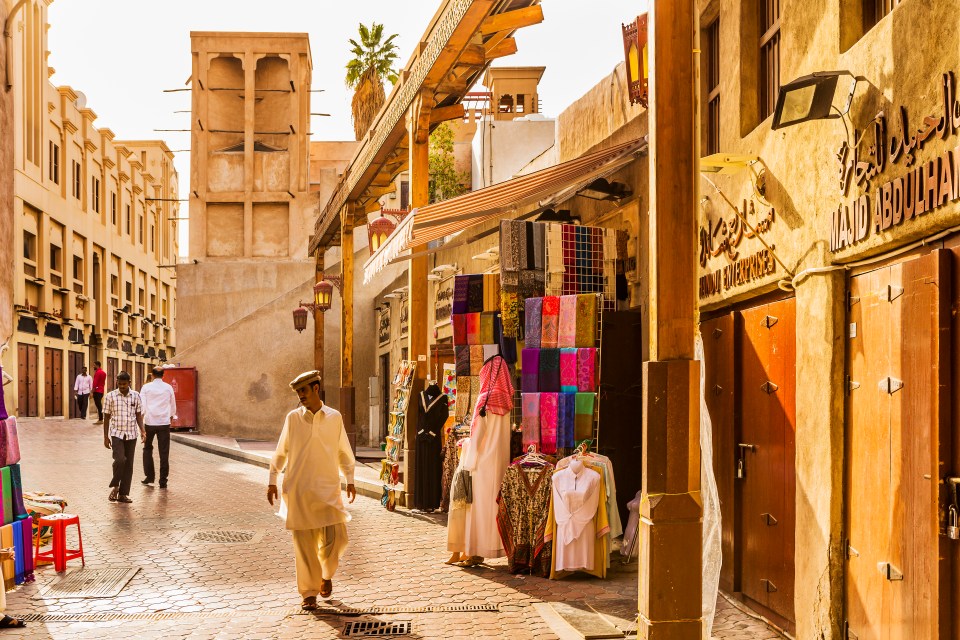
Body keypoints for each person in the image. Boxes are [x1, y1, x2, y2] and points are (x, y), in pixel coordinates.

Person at [267, 370, 356, 610]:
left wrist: (350, 478)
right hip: (298, 490)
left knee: (337, 538)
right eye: (298, 393)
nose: (301, 396)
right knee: (304, 546)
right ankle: (309, 593)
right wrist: (272, 479)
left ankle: (325, 575)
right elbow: (281, 450)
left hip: (328, 489)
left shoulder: (334, 417)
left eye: (304, 391)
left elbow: (342, 450)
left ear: (316, 389)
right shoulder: (293, 418)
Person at [102, 371, 145, 504]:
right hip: (116, 434)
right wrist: (105, 436)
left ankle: (123, 494)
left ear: (129, 383)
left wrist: (143, 430)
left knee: (129, 465)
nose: (121, 386)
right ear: (117, 382)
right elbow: (106, 417)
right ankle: (115, 485)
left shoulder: (136, 396)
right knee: (120, 460)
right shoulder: (110, 396)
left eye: (124, 384)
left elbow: (138, 415)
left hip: (132, 434)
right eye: (119, 384)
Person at [139, 366, 177, 488]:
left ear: (152, 375)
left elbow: (142, 407)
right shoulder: (168, 387)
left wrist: (142, 427)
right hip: (164, 423)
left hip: (149, 422)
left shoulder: (146, 387)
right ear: (163, 375)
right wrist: (169, 419)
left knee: (147, 449)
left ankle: (149, 477)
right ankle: (163, 481)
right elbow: (173, 406)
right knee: (164, 452)